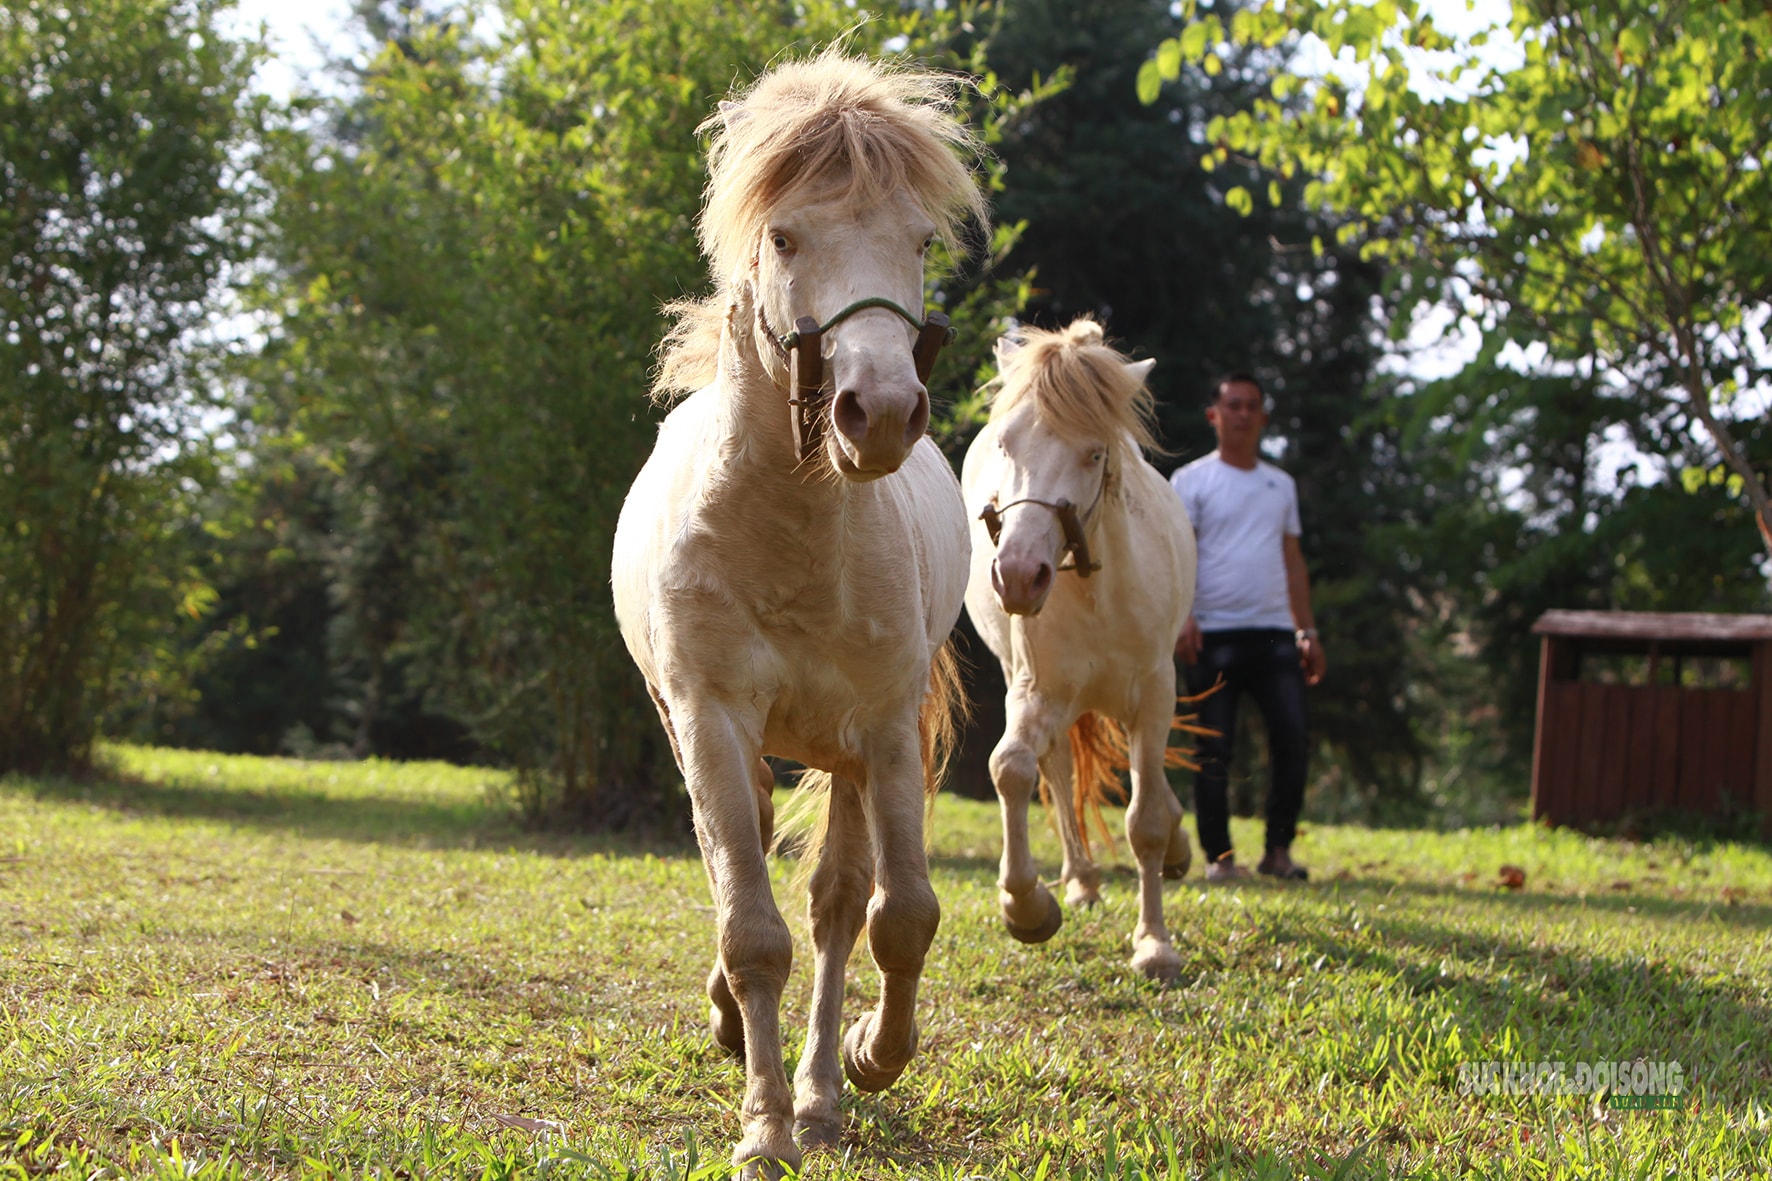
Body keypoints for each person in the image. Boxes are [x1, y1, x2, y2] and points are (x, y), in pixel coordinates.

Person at [1171, 373, 1325, 883]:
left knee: (1292, 738)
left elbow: (1293, 559)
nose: (1241, 414)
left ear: (1262, 418)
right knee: (1213, 747)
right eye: (1232, 405)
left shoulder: (1280, 485)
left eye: (1251, 406)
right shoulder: (1191, 481)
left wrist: (1308, 631)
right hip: (1211, 634)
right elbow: (1178, 553)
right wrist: (1182, 615)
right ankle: (1220, 859)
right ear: (1214, 416)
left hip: (1277, 633)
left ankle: (1278, 852)